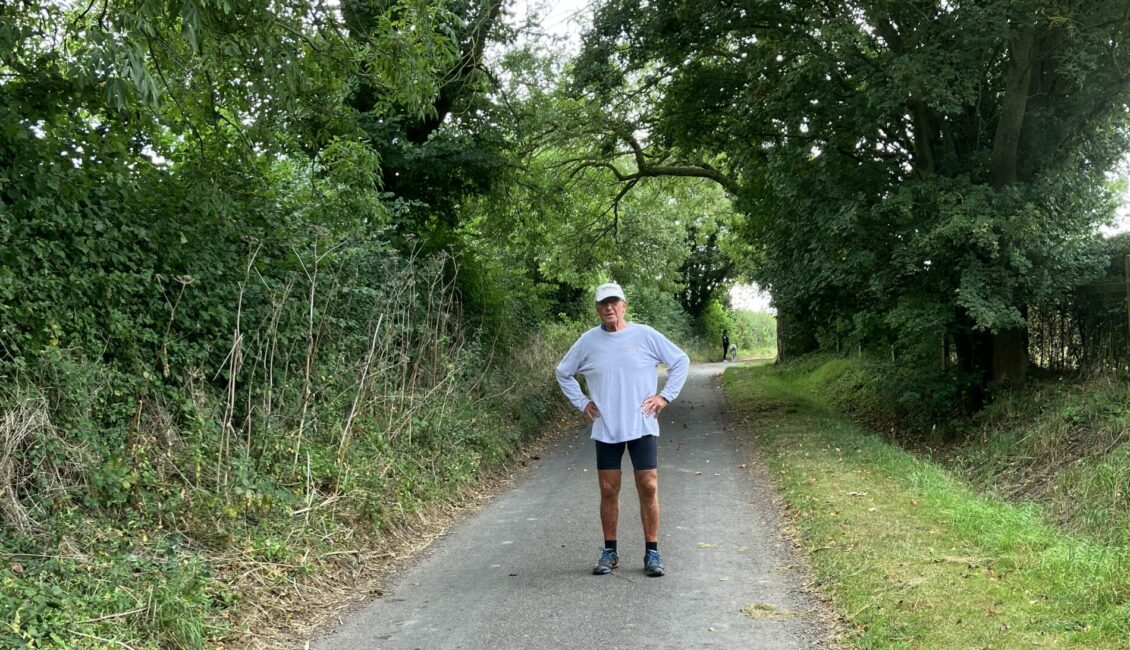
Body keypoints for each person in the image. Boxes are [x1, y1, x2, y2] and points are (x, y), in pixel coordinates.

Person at [555, 282, 690, 577]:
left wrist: (664, 396)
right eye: (603, 303)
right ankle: (610, 551)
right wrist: (582, 402)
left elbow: (680, 361)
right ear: (597, 308)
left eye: (614, 302)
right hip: (606, 427)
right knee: (608, 490)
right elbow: (562, 372)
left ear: (624, 305)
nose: (609, 308)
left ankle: (652, 552)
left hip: (641, 423)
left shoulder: (645, 335)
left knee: (649, 486)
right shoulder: (588, 342)